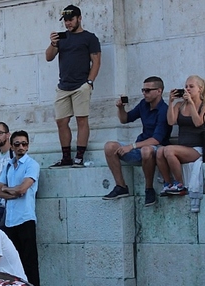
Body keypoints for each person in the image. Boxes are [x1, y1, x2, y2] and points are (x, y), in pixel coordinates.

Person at [46, 4, 101, 168]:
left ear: (79, 18)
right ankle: (66, 157)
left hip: (81, 85)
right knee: (61, 121)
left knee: (81, 120)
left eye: (71, 20)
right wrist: (53, 43)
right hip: (63, 86)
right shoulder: (62, 38)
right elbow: (48, 57)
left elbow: (96, 61)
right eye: (65, 21)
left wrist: (89, 83)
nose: (68, 23)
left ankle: (79, 156)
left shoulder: (89, 38)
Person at [103, 76, 172, 206]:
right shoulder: (143, 104)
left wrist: (132, 146)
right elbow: (125, 119)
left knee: (146, 150)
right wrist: (121, 108)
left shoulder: (164, 110)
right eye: (143, 90)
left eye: (148, 90)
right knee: (109, 146)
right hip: (140, 147)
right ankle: (121, 186)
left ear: (159, 91)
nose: (144, 93)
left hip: (156, 150)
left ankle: (149, 189)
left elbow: (156, 140)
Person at [0, 130, 41, 286]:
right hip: (9, 220)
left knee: (29, 262)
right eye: (17, 144)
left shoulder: (32, 165)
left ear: (28, 146)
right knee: (12, 263)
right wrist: (12, 192)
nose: (21, 147)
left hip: (25, 218)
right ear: (12, 147)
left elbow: (23, 189)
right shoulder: (8, 166)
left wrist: (9, 189)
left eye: (24, 144)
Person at [157, 75, 205, 196]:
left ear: (200, 88)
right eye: (186, 86)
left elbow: (198, 122)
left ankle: (180, 184)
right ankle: (168, 183)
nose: (187, 89)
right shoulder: (180, 105)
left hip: (196, 148)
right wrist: (171, 101)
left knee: (168, 150)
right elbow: (171, 121)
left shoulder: (203, 105)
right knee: (159, 151)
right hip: (182, 147)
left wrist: (191, 103)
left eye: (191, 86)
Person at [0, 122, 13, 231]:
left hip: (14, 205)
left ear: (8, 134)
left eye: (0, 133)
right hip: (1, 205)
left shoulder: (14, 154)